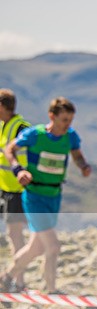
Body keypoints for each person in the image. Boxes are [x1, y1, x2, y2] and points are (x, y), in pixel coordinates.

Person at [1, 97, 91, 294]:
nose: (68, 124)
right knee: (53, 246)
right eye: (64, 120)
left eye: (70, 120)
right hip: (34, 196)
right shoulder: (35, 135)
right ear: (52, 116)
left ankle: (6, 278)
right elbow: (10, 149)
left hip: (54, 195)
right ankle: (51, 290)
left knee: (37, 248)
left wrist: (83, 166)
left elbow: (76, 154)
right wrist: (18, 170)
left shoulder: (71, 136)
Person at [0, 89, 31, 290]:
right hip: (5, 189)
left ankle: (18, 281)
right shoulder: (4, 126)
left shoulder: (21, 128)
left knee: (15, 235)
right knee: (13, 235)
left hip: (18, 191)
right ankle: (17, 281)